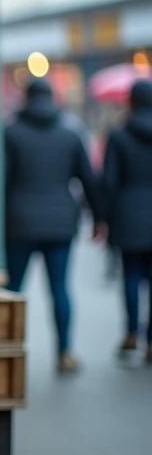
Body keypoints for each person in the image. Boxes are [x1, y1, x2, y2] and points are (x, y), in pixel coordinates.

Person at [0, 78, 103, 374]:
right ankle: (65, 352)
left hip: (20, 223)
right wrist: (100, 218)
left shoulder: (10, 133)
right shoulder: (71, 133)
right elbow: (89, 179)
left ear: (26, 98)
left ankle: (5, 351)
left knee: (14, 290)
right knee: (60, 288)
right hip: (61, 222)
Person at [102, 79, 152, 364]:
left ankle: (132, 333)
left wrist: (104, 217)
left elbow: (109, 181)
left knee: (131, 275)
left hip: (129, 214)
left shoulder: (119, 135)